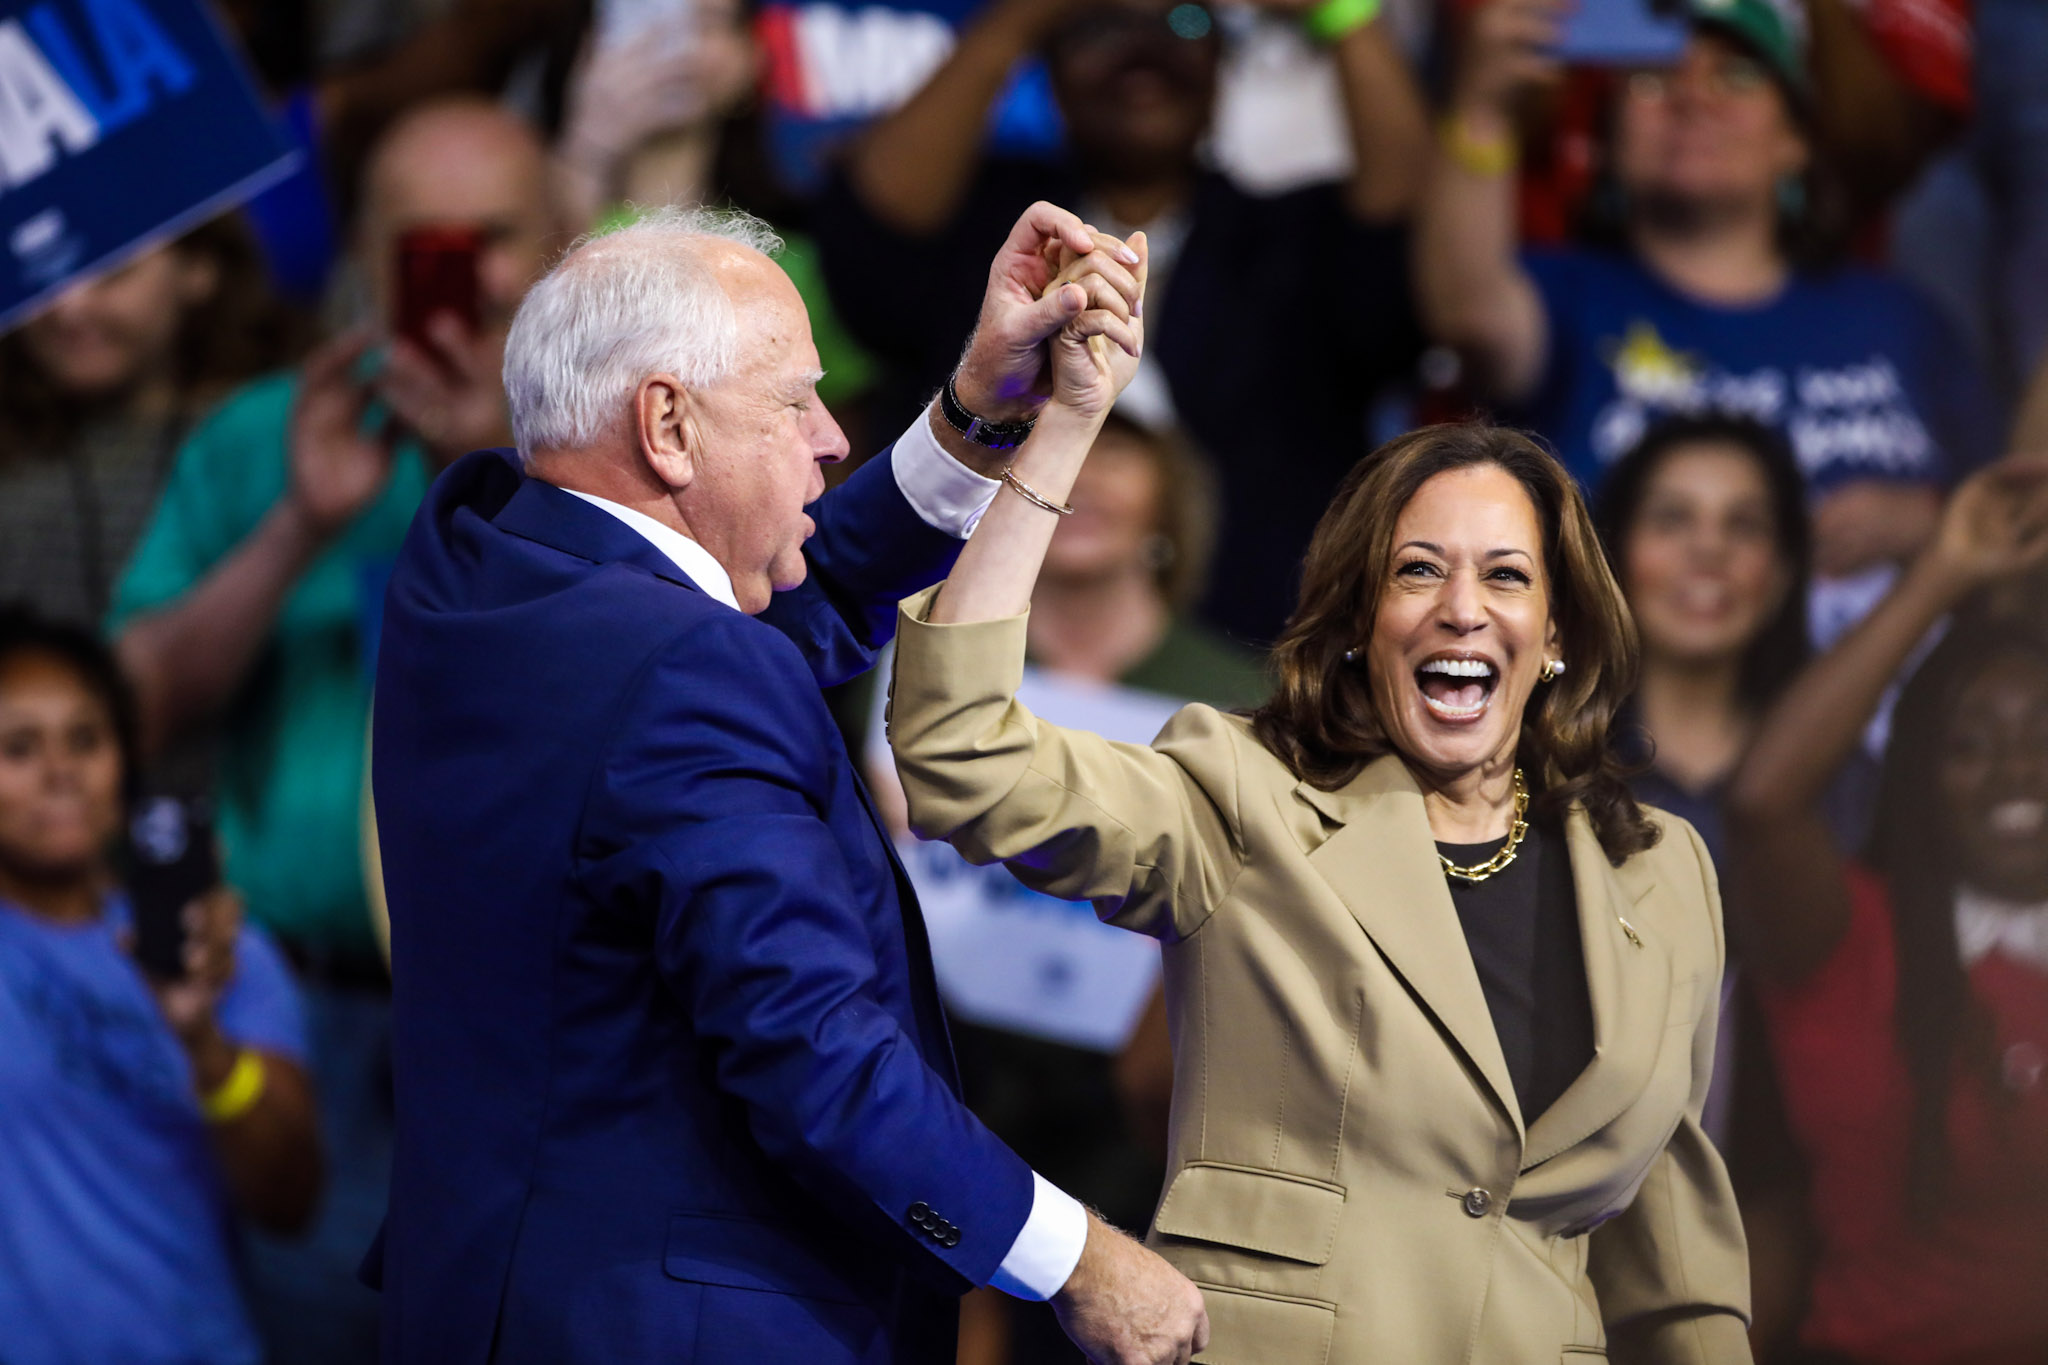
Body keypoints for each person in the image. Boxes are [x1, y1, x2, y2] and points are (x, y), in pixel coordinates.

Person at [367, 203, 1207, 1365]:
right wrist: (1076, 1258)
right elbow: (813, 1050)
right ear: (666, 423)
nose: (828, 439)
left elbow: (768, 621)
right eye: (793, 401)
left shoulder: (480, 559)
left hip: (495, 1298)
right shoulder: (677, 671)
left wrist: (972, 413)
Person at [889, 226, 1751, 1357]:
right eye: (1414, 571)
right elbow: (962, 754)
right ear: (1356, 629)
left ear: (1553, 635)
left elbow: (1673, 1266)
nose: (1459, 608)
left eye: (1504, 575)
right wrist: (1060, 429)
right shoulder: (1245, 798)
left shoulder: (1661, 870)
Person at [107, 98, 567, 1363]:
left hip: (549, 1027)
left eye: (495, 238)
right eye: (422, 242)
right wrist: (300, 525)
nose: (461, 276)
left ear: (567, 245)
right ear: (364, 255)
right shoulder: (264, 436)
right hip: (307, 1007)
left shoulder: (622, 434)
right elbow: (127, 713)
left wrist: (492, 456)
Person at [819, 0, 1432, 643]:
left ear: (1223, 68)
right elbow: (873, 232)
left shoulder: (1287, 242)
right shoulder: (997, 228)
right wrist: (1020, 18)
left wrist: (1339, 13)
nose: (1144, 53)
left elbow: (1406, 235)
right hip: (951, 638)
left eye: (1186, 22)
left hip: (1243, 664)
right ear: (1048, 70)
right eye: (1100, 28)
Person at [863, 414, 1262, 1363]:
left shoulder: (1248, 693)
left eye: (1117, 453)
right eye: (1062, 453)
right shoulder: (910, 663)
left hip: (1152, 1121)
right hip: (940, 1082)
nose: (1085, 479)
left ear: (1171, 491)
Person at [1417, 0, 1997, 613]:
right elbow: (1466, 312)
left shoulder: (1901, 320)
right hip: (1627, 698)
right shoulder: (1566, 294)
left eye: (1738, 75)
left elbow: (2014, 516)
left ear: (1796, 139)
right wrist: (1482, 111)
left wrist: (1934, 521)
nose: (1692, 98)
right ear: (1607, 142)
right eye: (1651, 78)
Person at [1725, 456, 2048, 1365]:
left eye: (2042, 741)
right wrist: (1946, 569)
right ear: (1915, 777)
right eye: (1970, 745)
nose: (2017, 771)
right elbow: (1763, 803)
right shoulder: (1851, 937)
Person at [0, 605, 321, 1365]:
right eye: (17, 746)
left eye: (86, 737)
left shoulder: (224, 951)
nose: (61, 770)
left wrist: (207, 1047)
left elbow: (292, 1201)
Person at [0, 217, 301, 626]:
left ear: (198, 266)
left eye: (109, 268)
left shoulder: (282, 438)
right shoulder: (16, 473)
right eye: (37, 269)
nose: (69, 306)